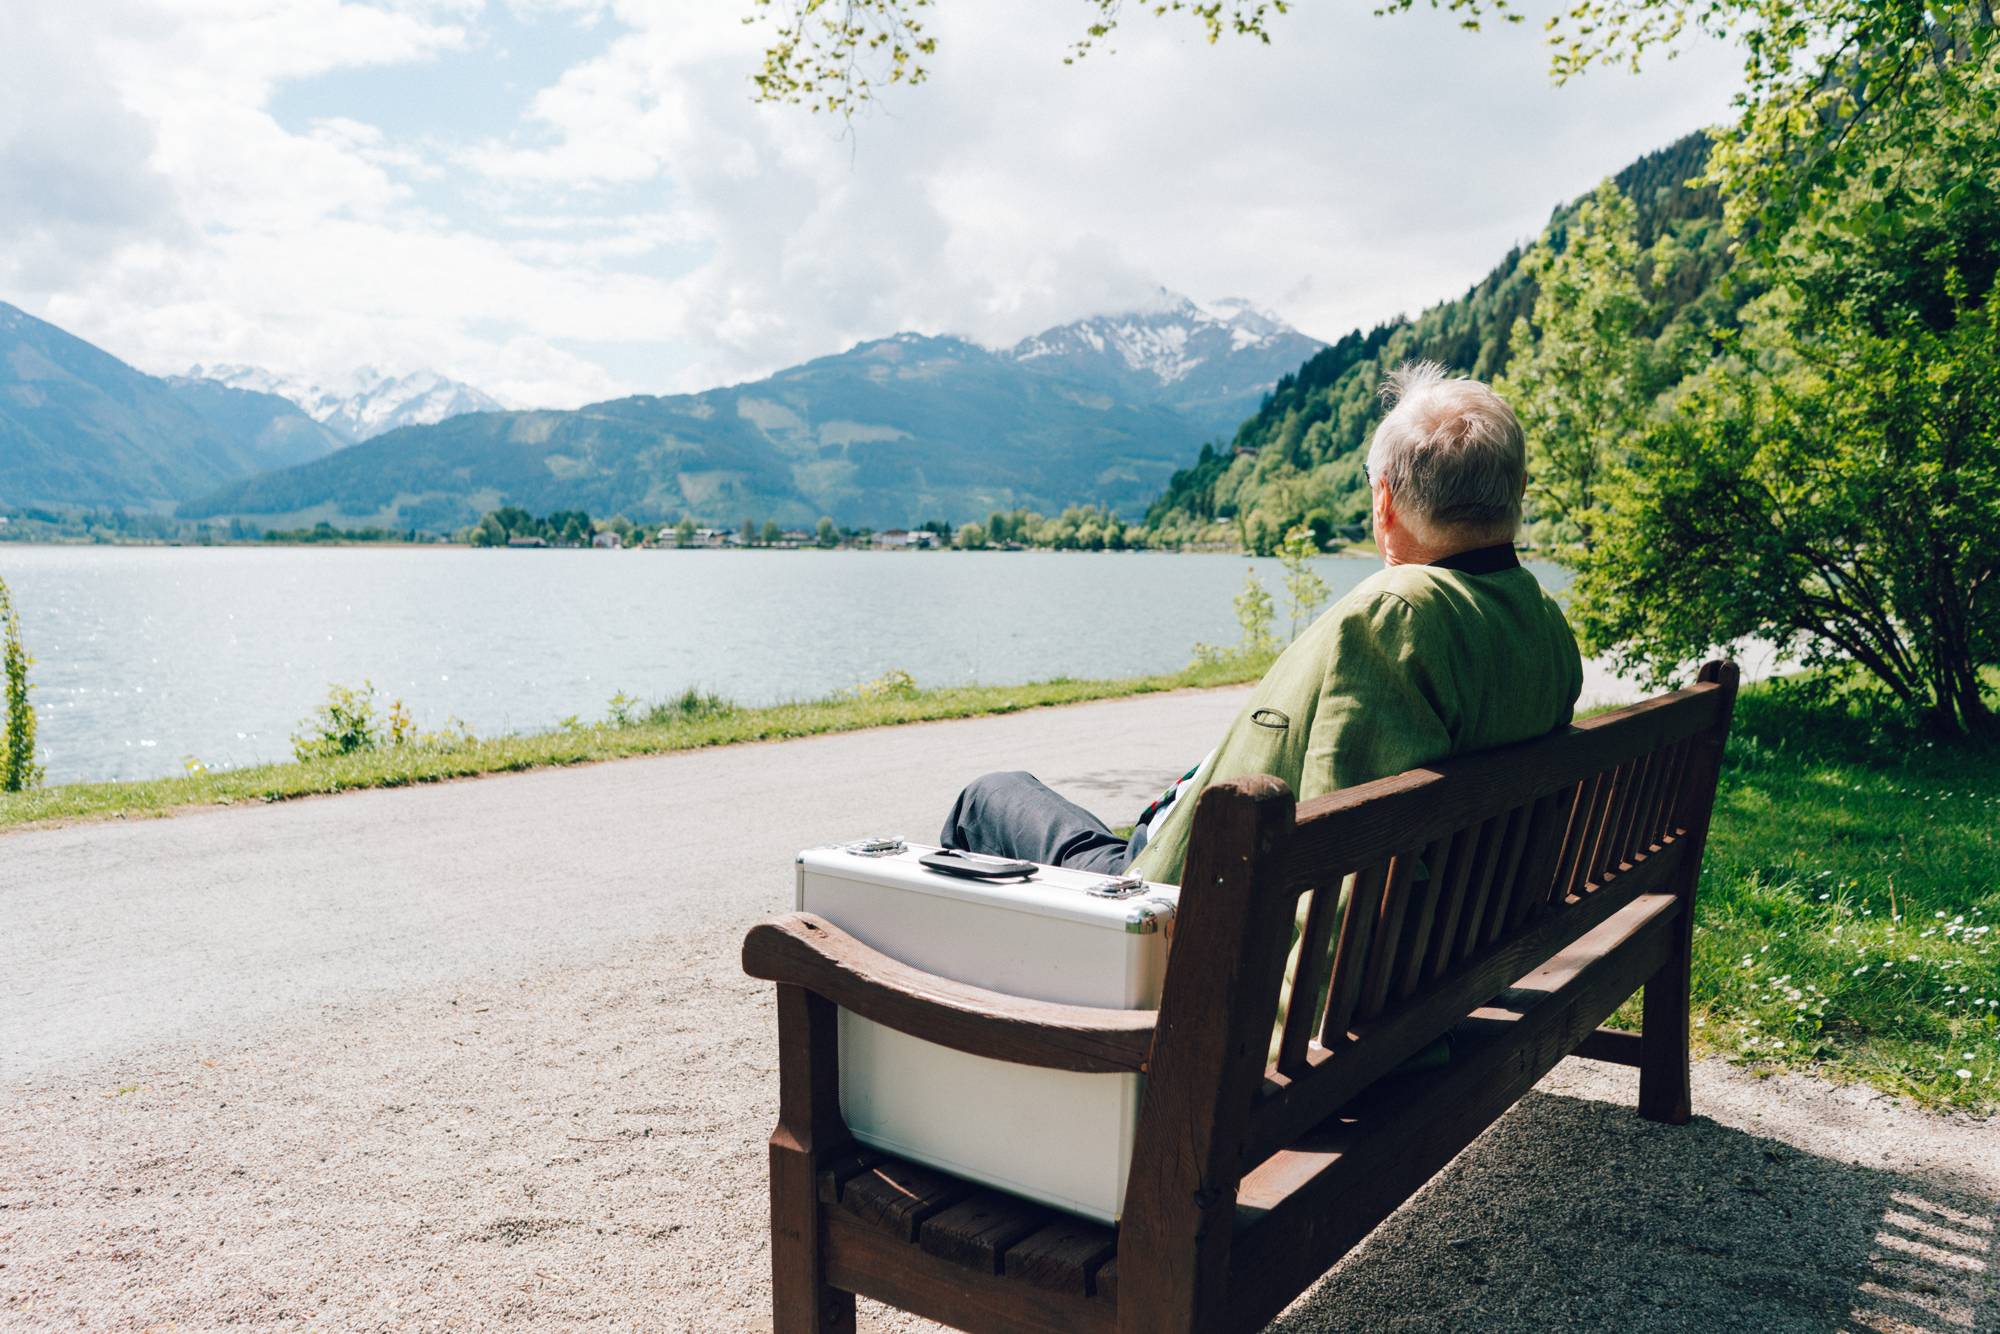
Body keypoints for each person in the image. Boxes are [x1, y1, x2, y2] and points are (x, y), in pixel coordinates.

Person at [939, 361, 1585, 886]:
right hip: (1440, 952)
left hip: (1171, 911)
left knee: (989, 798)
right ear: (1519, 490)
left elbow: (1346, 873)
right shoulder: (1543, 628)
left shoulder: (1396, 618)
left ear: (1384, 498)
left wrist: (1285, 1045)